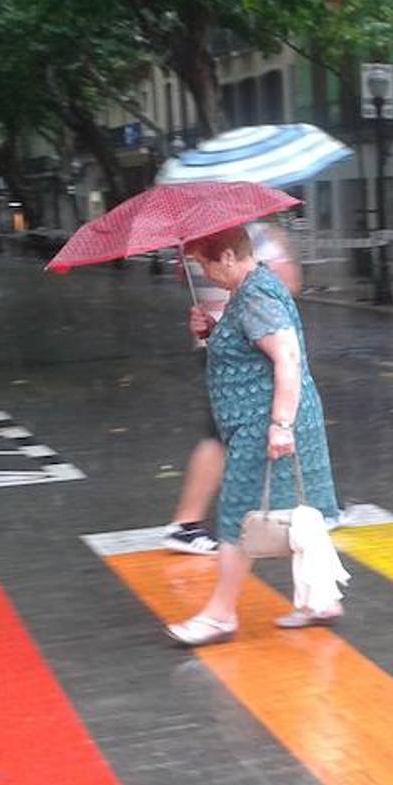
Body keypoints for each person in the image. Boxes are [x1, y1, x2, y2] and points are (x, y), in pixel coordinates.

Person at [166, 225, 341, 645]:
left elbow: (287, 358)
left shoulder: (257, 295)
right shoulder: (248, 291)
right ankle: (321, 600)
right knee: (302, 511)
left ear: (227, 257)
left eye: (205, 263)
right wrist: (211, 331)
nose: (204, 274)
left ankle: (220, 614)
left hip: (265, 427)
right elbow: (249, 350)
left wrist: (280, 426)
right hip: (262, 424)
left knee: (237, 518)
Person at [161, 221, 301, 555]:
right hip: (242, 365)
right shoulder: (253, 240)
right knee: (225, 438)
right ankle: (194, 523)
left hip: (245, 363)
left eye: (203, 265)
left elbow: (282, 350)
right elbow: (290, 287)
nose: (203, 274)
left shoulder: (249, 274)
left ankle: (292, 508)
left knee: (227, 437)